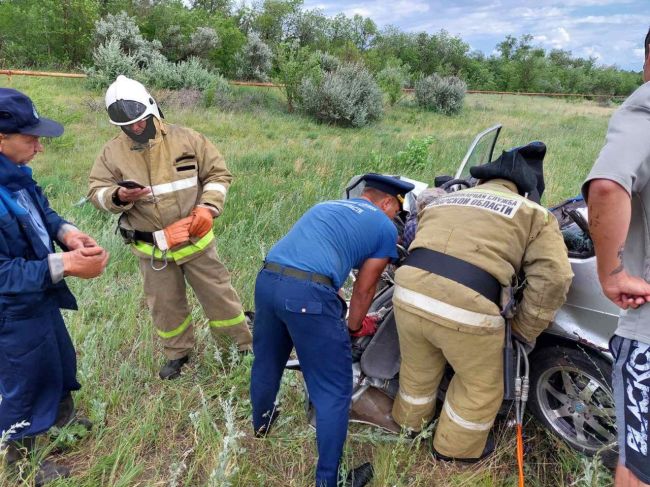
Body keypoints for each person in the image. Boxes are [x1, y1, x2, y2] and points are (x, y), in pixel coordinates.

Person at [391, 145, 573, 461]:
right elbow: (554, 278)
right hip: (467, 306)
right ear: (526, 189)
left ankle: (408, 426)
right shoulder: (534, 214)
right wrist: (523, 329)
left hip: (407, 294)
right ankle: (454, 451)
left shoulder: (445, 199)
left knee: (417, 368)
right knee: (481, 385)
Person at [250, 174, 414, 487]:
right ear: (388, 203)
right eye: (396, 211)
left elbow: (314, 259)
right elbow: (366, 290)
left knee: (267, 362)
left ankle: (262, 425)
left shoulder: (325, 207)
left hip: (268, 280)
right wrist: (354, 326)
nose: (395, 217)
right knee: (333, 391)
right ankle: (329, 481)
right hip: (307, 297)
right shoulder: (382, 226)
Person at [87, 75, 252, 380]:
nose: (135, 128)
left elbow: (219, 175)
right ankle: (178, 354)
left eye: (140, 121)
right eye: (128, 126)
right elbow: (96, 191)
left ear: (152, 109)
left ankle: (239, 349)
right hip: (153, 251)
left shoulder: (188, 139)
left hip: (196, 242)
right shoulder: (111, 153)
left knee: (220, 298)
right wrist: (118, 195)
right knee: (165, 306)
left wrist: (208, 207)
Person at [0, 88, 109, 485]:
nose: (39, 148)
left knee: (58, 360)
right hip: (10, 311)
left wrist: (69, 234)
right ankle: (20, 465)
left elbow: (41, 212)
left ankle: (62, 421)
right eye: (31, 139)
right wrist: (65, 264)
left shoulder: (14, 177)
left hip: (38, 297)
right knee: (24, 381)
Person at [583, 28, 650, 487]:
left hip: (648, 334)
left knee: (639, 463)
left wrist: (611, 273)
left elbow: (606, 186)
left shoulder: (644, 108)